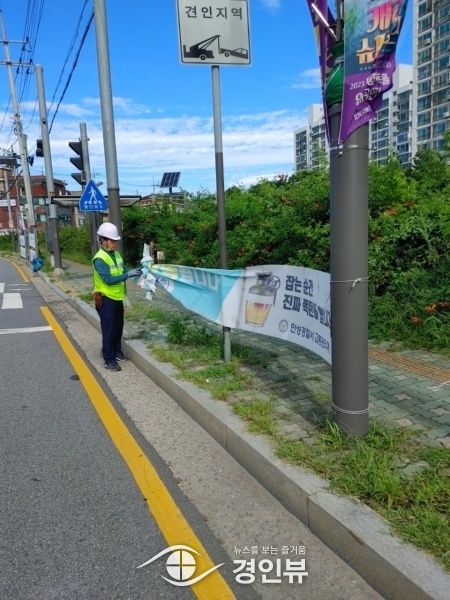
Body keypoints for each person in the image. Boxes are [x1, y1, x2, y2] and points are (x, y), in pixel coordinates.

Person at [92, 222, 141, 372]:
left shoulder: (116, 255)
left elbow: (123, 270)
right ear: (102, 240)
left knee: (118, 327)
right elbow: (108, 279)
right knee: (109, 330)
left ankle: (117, 351)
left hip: (117, 298)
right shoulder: (99, 259)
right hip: (105, 298)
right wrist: (128, 275)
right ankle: (109, 359)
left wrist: (136, 272)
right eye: (112, 240)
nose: (114, 243)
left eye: (115, 241)